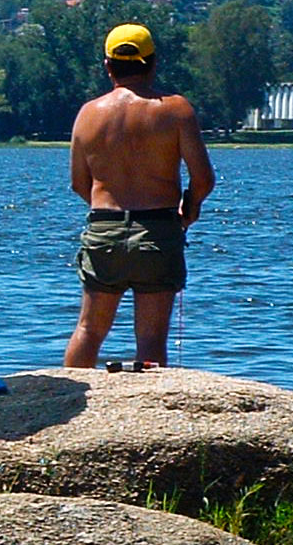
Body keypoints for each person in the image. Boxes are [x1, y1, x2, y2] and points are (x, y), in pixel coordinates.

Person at [63, 23, 215, 368]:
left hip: (103, 228)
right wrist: (187, 213)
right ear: (153, 63)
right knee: (150, 338)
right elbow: (203, 178)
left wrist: (110, 213)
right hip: (158, 228)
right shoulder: (176, 110)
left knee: (88, 329)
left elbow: (77, 183)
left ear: (107, 65)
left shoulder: (88, 113)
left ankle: (66, 396)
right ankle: (151, 411)